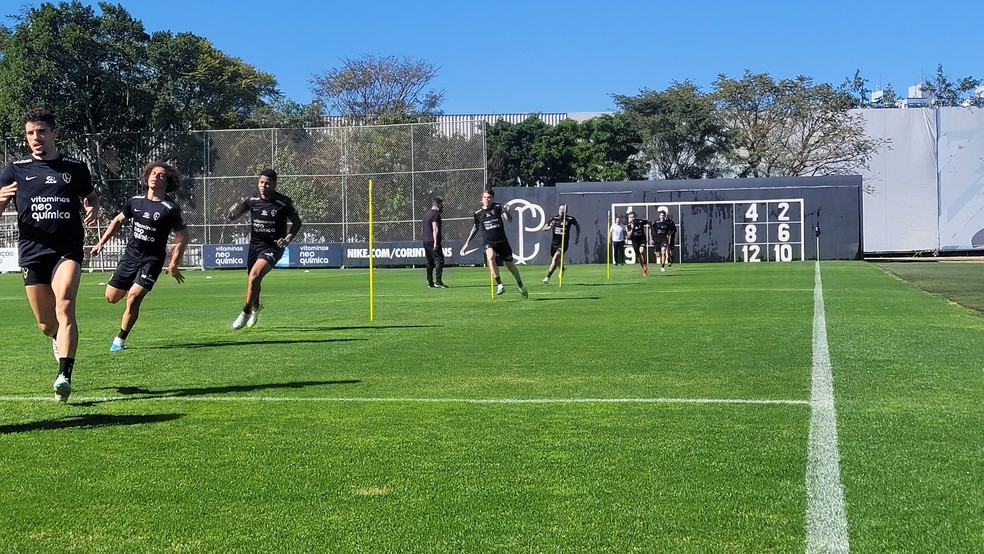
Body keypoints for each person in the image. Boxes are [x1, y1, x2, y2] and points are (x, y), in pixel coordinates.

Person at [0, 108, 99, 402]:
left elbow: (90, 195)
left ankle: (64, 376)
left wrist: (93, 205)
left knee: (66, 303)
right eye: (30, 133)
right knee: (46, 324)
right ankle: (57, 339)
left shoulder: (75, 167)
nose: (36, 138)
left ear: (55, 134)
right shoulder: (14, 169)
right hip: (33, 252)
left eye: (41, 131)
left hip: (67, 249)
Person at [90, 162, 188, 350]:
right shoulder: (135, 201)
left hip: (152, 260)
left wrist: (174, 263)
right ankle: (132, 284)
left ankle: (120, 339)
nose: (155, 176)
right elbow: (118, 220)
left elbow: (183, 235)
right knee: (111, 297)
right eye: (152, 173)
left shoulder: (171, 208)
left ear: (168, 181)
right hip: (130, 257)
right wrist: (101, 242)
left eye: (160, 175)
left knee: (134, 297)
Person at [226, 168, 302, 329]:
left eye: (267, 183)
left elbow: (297, 223)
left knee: (254, 276)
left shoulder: (283, 202)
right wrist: (231, 213)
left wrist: (287, 238)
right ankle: (256, 306)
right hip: (255, 246)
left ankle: (245, 312)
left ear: (274, 184)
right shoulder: (251, 200)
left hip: (273, 247)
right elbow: (233, 216)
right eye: (261, 182)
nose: (263, 186)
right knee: (253, 280)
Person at [460, 188, 527, 298]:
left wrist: (507, 212)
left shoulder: (498, 207)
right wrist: (467, 243)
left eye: (489, 197)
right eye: (485, 197)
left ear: (493, 198)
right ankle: (500, 284)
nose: (487, 199)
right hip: (489, 242)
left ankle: (520, 284)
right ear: (482, 199)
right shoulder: (478, 213)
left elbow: (509, 219)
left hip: (502, 241)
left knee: (510, 265)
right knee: (490, 257)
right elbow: (475, 228)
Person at [541, 203, 580, 284]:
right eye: (560, 209)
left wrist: (577, 237)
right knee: (555, 260)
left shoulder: (570, 219)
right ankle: (562, 268)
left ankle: (547, 277)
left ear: (566, 211)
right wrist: (550, 227)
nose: (562, 211)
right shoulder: (554, 218)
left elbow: (577, 225)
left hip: (563, 244)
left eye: (563, 209)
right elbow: (544, 228)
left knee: (555, 258)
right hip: (554, 243)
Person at [422, 196, 448, 288]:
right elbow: (435, 228)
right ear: (437, 205)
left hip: (425, 240)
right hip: (432, 240)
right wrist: (436, 243)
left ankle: (430, 282)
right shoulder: (435, 215)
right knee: (439, 260)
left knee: (429, 262)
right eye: (441, 205)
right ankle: (438, 281)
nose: (442, 207)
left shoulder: (426, 214)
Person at [650, 208, 676, 272]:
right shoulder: (656, 222)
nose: (662, 216)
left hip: (664, 239)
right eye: (661, 215)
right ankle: (658, 252)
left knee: (663, 251)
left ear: (665, 216)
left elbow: (670, 232)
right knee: (658, 255)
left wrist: (669, 239)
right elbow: (651, 230)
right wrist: (651, 239)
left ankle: (662, 266)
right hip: (657, 239)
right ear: (659, 216)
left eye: (663, 215)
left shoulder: (667, 223)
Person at [625, 211, 650, 276]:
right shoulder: (629, 225)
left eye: (633, 217)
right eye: (630, 217)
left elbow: (649, 222)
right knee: (638, 256)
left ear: (635, 216)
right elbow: (628, 236)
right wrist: (632, 229)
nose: (632, 218)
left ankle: (644, 263)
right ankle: (643, 268)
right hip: (635, 241)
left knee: (641, 251)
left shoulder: (640, 222)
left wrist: (652, 231)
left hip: (642, 239)